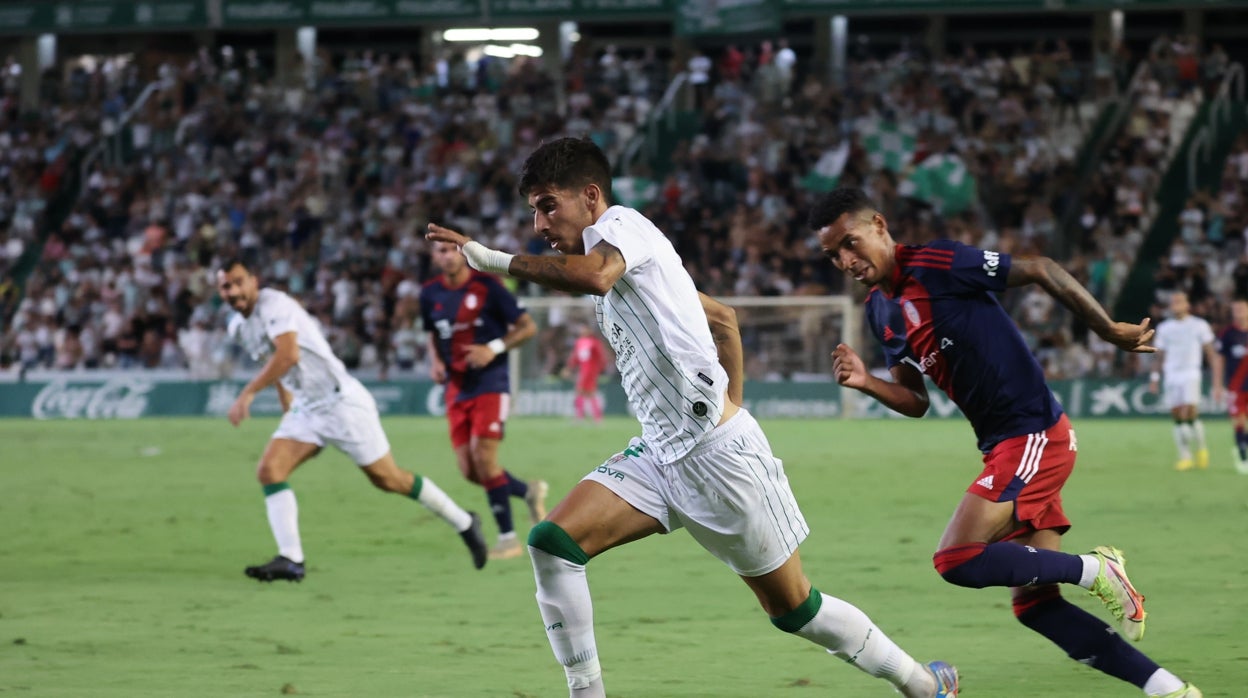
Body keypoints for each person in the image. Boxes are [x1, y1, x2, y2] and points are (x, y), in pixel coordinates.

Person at [428, 138, 959, 698]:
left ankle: (924, 686)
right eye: (533, 210)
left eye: (547, 205)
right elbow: (724, 318)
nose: (538, 222)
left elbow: (595, 276)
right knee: (552, 543)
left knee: (795, 609)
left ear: (590, 196)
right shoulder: (637, 263)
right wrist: (731, 399)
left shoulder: (623, 227)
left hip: (718, 457)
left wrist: (490, 259)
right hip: (660, 454)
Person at [812, 187, 1201, 698]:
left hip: (1034, 435)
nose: (845, 260)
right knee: (1037, 607)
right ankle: (1169, 689)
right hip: (1007, 446)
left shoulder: (937, 261)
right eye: (833, 254)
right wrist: (866, 382)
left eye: (851, 242)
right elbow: (915, 399)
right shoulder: (880, 312)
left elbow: (1039, 268)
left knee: (956, 559)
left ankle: (1097, 569)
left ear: (879, 225)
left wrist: (1106, 328)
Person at [217, 258, 488, 581]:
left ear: (253, 281)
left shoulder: (275, 304)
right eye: (225, 286)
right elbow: (275, 362)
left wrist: (247, 393)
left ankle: (465, 522)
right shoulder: (237, 326)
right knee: (269, 470)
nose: (233, 291)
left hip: (341, 403)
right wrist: (286, 403)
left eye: (237, 282)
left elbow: (288, 353)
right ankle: (291, 559)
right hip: (307, 407)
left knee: (388, 479)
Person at [421, 241, 547, 560]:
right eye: (440, 251)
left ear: (462, 253)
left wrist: (494, 348)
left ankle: (508, 539)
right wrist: (435, 361)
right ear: (433, 257)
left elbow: (527, 327)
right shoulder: (430, 293)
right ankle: (528, 492)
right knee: (469, 469)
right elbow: (432, 334)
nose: (447, 256)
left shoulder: (488, 286)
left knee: (484, 457)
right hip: (456, 387)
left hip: (491, 383)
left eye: (452, 249)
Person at [1150, 291, 1223, 471]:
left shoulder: (1199, 325)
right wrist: (1154, 378)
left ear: (1187, 305)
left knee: (1188, 411)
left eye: (1179, 301)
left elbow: (1210, 352)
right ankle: (1185, 455)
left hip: (1191, 372)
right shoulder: (1165, 328)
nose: (1176, 305)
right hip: (1171, 374)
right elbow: (1159, 356)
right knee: (1177, 415)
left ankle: (1201, 449)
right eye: (1173, 302)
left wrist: (1216, 381)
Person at [1216, 298, 1248, 473]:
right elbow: (1218, 359)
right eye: (1235, 309)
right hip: (1236, 386)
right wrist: (1217, 385)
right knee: (1240, 421)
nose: (1239, 312)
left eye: (1242, 308)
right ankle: (1243, 457)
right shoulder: (1227, 334)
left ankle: (1240, 443)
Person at [561, 323, 606, 423]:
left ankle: (580, 417)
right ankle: (596, 418)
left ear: (590, 330)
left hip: (590, 371)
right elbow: (576, 358)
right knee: (589, 393)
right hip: (583, 370)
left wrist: (599, 369)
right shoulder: (579, 342)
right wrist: (569, 368)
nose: (582, 331)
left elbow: (601, 357)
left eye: (585, 329)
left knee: (581, 391)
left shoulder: (594, 342)